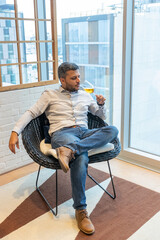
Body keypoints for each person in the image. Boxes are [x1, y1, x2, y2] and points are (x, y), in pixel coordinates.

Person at [9, 62, 118, 235]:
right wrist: (15, 131)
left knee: (112, 130)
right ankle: (81, 210)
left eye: (79, 77)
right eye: (73, 78)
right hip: (62, 134)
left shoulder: (84, 94)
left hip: (84, 132)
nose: (78, 81)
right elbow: (31, 113)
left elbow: (100, 116)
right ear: (62, 79)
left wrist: (101, 105)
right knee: (81, 158)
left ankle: (70, 150)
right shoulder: (50, 95)